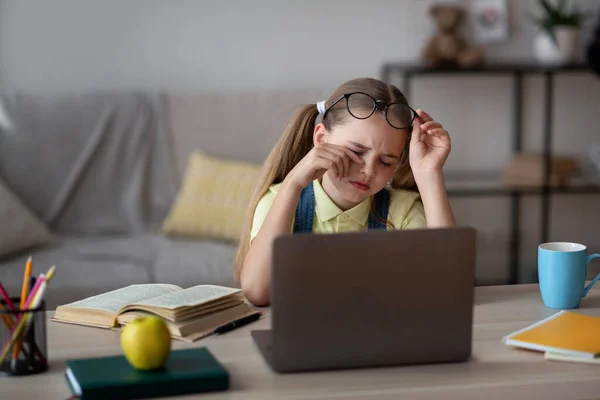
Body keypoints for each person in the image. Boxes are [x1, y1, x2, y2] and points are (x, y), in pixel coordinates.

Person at [234, 77, 456, 306]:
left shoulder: (403, 210)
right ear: (321, 138)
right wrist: (292, 183)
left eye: (386, 161)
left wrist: (430, 174)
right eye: (356, 152)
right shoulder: (280, 200)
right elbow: (258, 292)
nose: (368, 170)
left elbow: (448, 288)